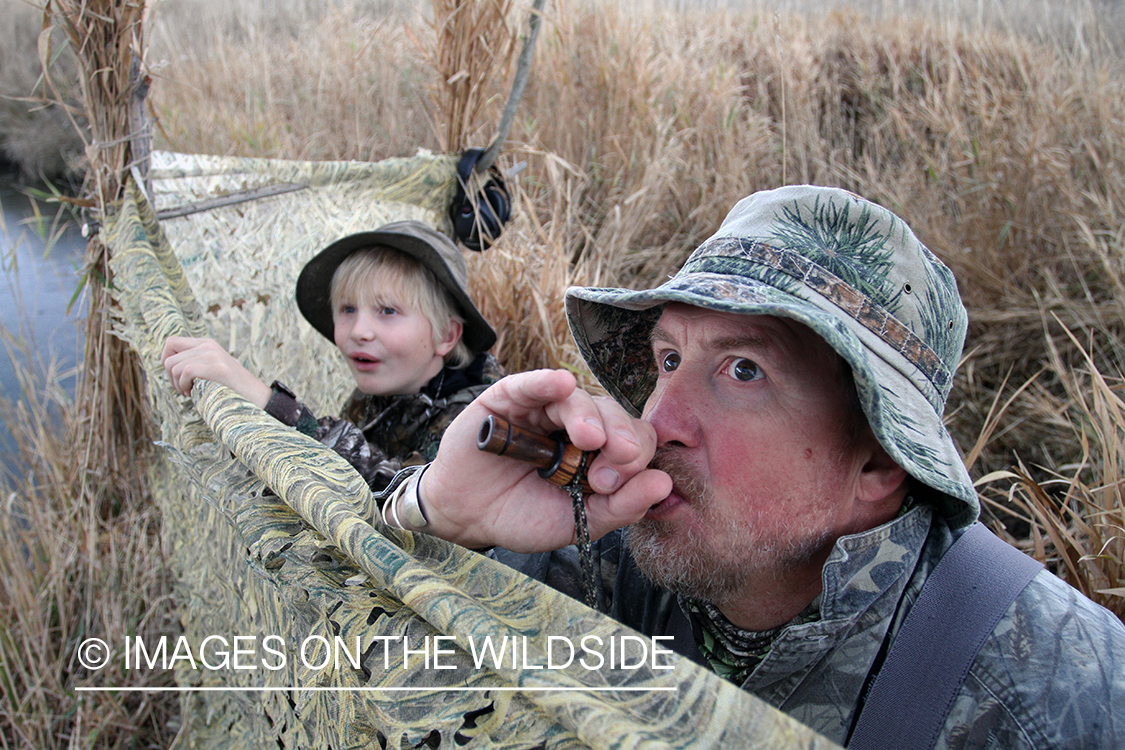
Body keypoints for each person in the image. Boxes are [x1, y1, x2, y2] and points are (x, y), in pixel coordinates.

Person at [375, 186, 1125, 748]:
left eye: (741, 370)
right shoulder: (606, 550)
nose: (656, 420)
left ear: (877, 467)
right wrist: (439, 515)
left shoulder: (1054, 698)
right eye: (668, 358)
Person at [162, 220, 503, 491]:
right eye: (348, 309)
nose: (359, 330)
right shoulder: (376, 396)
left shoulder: (480, 415)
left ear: (445, 335)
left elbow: (400, 493)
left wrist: (267, 402)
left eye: (387, 310)